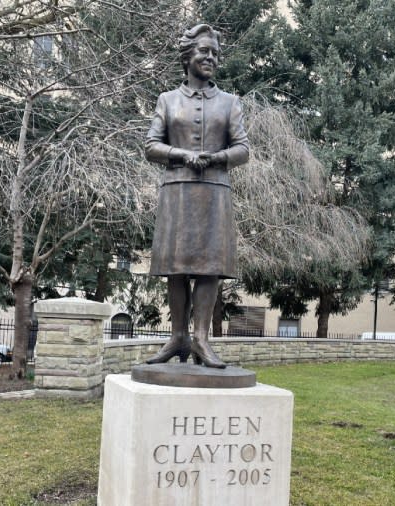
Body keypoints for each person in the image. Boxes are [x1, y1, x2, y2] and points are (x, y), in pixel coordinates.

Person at [143, 24, 249, 369]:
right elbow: (151, 145)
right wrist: (181, 154)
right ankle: (177, 336)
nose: (211, 58)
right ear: (188, 56)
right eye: (204, 51)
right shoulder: (167, 100)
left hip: (215, 191)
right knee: (176, 268)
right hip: (177, 191)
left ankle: (202, 338)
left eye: (215, 53)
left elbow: (243, 148)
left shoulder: (230, 103)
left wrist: (217, 158)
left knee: (209, 269)